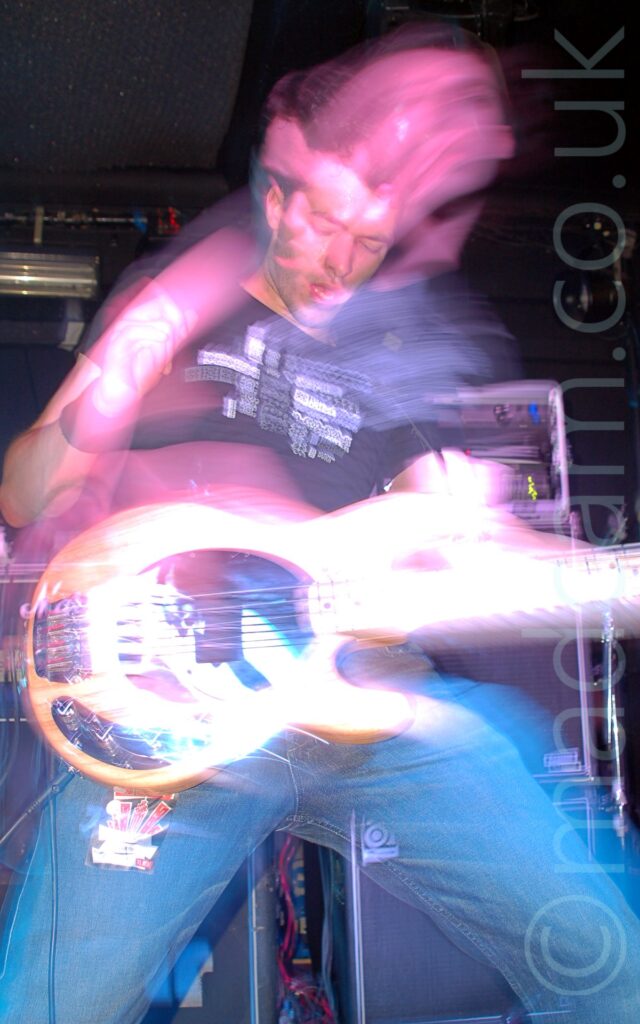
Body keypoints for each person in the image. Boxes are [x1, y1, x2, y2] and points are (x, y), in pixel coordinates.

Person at [1, 24, 639, 1024]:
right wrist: (125, 360)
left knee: (614, 966)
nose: (344, 260)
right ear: (276, 190)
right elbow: (28, 494)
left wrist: (586, 573)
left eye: (372, 239)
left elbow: (466, 533)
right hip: (175, 716)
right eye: (327, 225)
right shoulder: (183, 293)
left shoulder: (423, 329)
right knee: (53, 1008)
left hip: (368, 704)